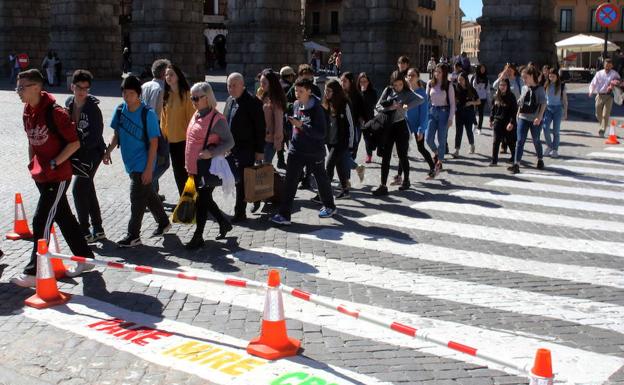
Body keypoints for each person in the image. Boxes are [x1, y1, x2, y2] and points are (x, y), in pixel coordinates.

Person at [11, 69, 94, 287]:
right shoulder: (27, 111)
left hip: (58, 176)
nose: (18, 91)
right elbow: (31, 140)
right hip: (41, 175)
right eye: (17, 87)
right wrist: (33, 165)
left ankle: (33, 271)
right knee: (63, 216)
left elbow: (74, 143)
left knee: (41, 219)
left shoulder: (56, 113)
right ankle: (86, 258)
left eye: (22, 87)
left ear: (36, 88)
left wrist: (55, 162)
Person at [103, 76, 171, 247]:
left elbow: (154, 143)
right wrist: (108, 151)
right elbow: (116, 135)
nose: (127, 96)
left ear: (138, 94)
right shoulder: (120, 110)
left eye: (131, 93)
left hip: (144, 163)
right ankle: (164, 222)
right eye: (124, 93)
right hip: (130, 162)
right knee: (147, 195)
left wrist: (149, 169)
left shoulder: (147, 114)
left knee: (136, 198)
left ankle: (133, 235)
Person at [270, 78, 337, 225]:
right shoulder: (295, 105)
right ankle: (284, 215)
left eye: (300, 91)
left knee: (321, 179)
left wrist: (302, 126)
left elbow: (321, 133)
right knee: (290, 182)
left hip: (314, 152)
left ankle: (330, 206)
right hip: (296, 150)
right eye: (296, 91)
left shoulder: (317, 109)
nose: (297, 94)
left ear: (309, 91)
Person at [184, 82, 234, 249]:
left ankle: (198, 236)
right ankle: (224, 223)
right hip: (194, 167)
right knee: (204, 199)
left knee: (202, 201)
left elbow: (229, 142)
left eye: (196, 98)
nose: (193, 101)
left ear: (207, 98)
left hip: (207, 168)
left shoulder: (217, 119)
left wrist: (211, 153)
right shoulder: (197, 113)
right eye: (192, 97)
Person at [65, 70, 107, 243]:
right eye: (79, 87)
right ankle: (98, 229)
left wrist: (78, 150)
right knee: (87, 188)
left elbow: (96, 136)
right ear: (72, 87)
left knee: (78, 189)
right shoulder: (68, 103)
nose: (82, 91)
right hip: (77, 153)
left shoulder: (93, 109)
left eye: (86, 88)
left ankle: (84, 230)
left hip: (92, 154)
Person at [373, 70, 424, 195]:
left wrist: (405, 107)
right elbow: (377, 106)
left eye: (400, 85)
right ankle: (383, 185)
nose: (397, 87)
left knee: (402, 155)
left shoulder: (407, 92)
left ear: (403, 83)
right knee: (386, 157)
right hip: (388, 126)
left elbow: (421, 99)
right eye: (395, 85)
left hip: (401, 126)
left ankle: (406, 180)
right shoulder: (388, 90)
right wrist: (389, 107)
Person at [224, 73, 265, 222]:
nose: (231, 88)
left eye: (234, 85)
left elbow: (260, 128)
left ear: (242, 85)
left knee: (241, 180)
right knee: (239, 179)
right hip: (231, 148)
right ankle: (254, 198)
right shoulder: (229, 100)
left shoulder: (253, 102)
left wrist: (260, 151)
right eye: (229, 85)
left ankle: (240, 212)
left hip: (246, 148)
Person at [161, 64, 195, 195]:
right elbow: (163, 118)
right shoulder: (166, 95)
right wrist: (163, 136)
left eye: (171, 74)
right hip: (172, 142)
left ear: (178, 76)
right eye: (166, 75)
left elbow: (191, 120)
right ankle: (184, 201)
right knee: (178, 176)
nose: (168, 77)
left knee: (187, 175)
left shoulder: (187, 95)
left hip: (185, 142)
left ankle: (191, 202)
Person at [141, 59, 171, 200]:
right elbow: (156, 112)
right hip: (157, 128)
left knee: (153, 160)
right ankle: (146, 187)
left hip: (143, 127)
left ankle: (154, 193)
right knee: (164, 162)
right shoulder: (161, 89)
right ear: (164, 73)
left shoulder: (145, 85)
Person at [508, 66, 546, 174]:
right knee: (520, 141)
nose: (523, 80)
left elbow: (543, 104)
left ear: (532, 76)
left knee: (536, 140)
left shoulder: (540, 89)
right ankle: (516, 164)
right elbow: (520, 103)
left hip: (535, 119)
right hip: (523, 118)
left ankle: (540, 159)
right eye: (522, 77)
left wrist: (539, 117)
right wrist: (517, 115)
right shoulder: (524, 88)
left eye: (525, 77)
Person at [322, 79, 355, 199]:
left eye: (329, 90)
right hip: (330, 142)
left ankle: (324, 196)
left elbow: (351, 125)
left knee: (329, 166)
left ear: (335, 91)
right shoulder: (327, 103)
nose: (326, 93)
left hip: (341, 142)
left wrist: (351, 145)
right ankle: (345, 191)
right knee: (340, 166)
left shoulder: (345, 103)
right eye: (325, 90)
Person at [405, 68, 435, 179]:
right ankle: (399, 175)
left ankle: (433, 168)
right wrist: (404, 107)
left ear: (418, 77)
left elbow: (424, 114)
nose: (410, 77)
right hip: (407, 124)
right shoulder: (407, 91)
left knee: (421, 148)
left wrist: (421, 130)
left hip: (418, 126)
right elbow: (404, 106)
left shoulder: (422, 94)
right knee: (403, 149)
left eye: (413, 75)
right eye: (408, 75)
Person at [426, 63, 455, 176]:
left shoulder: (448, 85)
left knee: (442, 139)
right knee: (428, 138)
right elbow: (426, 100)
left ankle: (439, 162)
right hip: (432, 112)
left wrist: (450, 118)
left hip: (444, 113)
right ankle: (437, 153)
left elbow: (452, 104)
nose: (437, 74)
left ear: (444, 73)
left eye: (439, 72)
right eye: (435, 71)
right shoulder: (430, 83)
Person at [340, 72, 366, 181]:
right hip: (342, 128)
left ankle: (346, 180)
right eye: (341, 81)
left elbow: (362, 112)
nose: (342, 83)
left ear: (350, 81)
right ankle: (355, 170)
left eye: (344, 81)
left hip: (354, 128)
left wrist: (361, 122)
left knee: (350, 153)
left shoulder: (357, 95)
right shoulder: (340, 93)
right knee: (343, 154)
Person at [257, 69, 287, 164]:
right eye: (260, 82)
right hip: (260, 138)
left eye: (264, 83)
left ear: (271, 83)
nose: (261, 85)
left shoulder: (276, 101)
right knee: (257, 166)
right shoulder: (262, 95)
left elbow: (279, 124)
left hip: (269, 140)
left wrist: (277, 142)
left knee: (265, 168)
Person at [589, 58, 621, 137]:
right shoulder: (599, 73)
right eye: (606, 65)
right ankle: (603, 125)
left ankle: (602, 130)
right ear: (604, 65)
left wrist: (615, 83)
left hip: (609, 96)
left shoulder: (615, 74)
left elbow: (620, 82)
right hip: (599, 95)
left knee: (605, 115)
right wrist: (591, 91)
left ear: (612, 66)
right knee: (597, 114)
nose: (608, 67)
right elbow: (593, 83)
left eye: (609, 66)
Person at [489, 78, 517, 166]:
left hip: (508, 122)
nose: (502, 87)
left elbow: (514, 111)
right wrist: (491, 119)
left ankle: (514, 157)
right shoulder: (496, 96)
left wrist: (511, 123)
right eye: (501, 85)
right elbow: (493, 109)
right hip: (498, 121)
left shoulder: (511, 96)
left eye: (504, 85)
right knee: (496, 141)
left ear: (507, 86)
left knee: (510, 141)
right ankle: (494, 160)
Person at [452, 72, 480, 158]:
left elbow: (479, 101)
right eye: (459, 80)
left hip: (469, 113)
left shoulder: (471, 89)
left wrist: (471, 102)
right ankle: (457, 150)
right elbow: (453, 99)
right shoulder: (456, 89)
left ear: (466, 80)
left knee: (468, 131)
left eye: (461, 79)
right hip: (459, 113)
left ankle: (472, 145)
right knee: (458, 131)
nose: (460, 81)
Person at [542, 68, 568, 158]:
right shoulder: (546, 85)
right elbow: (544, 99)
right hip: (548, 109)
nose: (551, 78)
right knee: (545, 128)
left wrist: (565, 112)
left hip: (558, 109)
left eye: (553, 76)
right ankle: (549, 146)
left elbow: (565, 100)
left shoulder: (562, 85)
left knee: (556, 131)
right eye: (550, 76)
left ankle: (555, 150)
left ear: (557, 76)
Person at [357, 72, 379, 164]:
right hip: (358, 119)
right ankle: (352, 156)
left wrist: (364, 93)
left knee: (367, 139)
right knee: (356, 140)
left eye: (365, 81)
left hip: (369, 119)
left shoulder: (373, 92)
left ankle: (369, 155)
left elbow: (371, 104)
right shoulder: (357, 92)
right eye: (361, 82)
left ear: (368, 82)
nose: (363, 84)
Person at [471, 64, 489, 134]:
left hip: (483, 97)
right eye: (481, 68)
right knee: (473, 112)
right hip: (475, 97)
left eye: (484, 68)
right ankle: (475, 124)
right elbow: (471, 86)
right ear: (478, 69)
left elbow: (487, 89)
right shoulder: (474, 76)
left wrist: (488, 98)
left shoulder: (486, 78)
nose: (483, 70)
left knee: (481, 113)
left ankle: (479, 128)